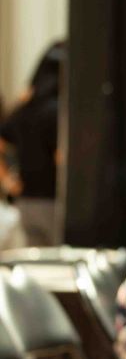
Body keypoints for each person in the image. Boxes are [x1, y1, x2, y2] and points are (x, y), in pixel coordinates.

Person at [0, 40, 66, 247]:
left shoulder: (23, 108)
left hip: (26, 201)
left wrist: (8, 181)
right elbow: (61, 158)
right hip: (52, 201)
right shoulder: (58, 111)